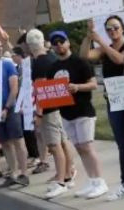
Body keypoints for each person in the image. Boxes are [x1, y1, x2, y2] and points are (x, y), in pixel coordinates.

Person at [80, 15, 124, 201]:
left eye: (115, 28)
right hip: (114, 101)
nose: (112, 32)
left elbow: (120, 59)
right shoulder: (104, 49)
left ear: (123, 28)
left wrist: (101, 43)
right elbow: (84, 56)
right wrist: (89, 36)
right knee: (123, 144)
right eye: (108, 29)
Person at [46, 30, 109, 199]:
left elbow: (94, 84)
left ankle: (100, 182)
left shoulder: (80, 62)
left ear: (68, 43)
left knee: (87, 146)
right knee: (80, 149)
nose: (59, 44)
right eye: (55, 42)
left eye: (61, 41)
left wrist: (77, 87)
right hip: (66, 114)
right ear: (51, 46)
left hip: (83, 111)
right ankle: (92, 180)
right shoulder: (52, 68)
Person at [25, 30, 76, 198]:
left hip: (48, 109)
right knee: (62, 141)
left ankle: (61, 180)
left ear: (30, 46)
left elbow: (40, 91)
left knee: (54, 146)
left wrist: (38, 114)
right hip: (59, 106)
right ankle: (68, 173)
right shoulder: (52, 58)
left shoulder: (39, 64)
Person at [0, 36, 29, 188]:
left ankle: (24, 174)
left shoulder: (7, 64)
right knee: (5, 143)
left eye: (0, 46)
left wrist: (6, 108)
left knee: (18, 140)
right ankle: (13, 173)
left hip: (10, 109)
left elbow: (14, 88)